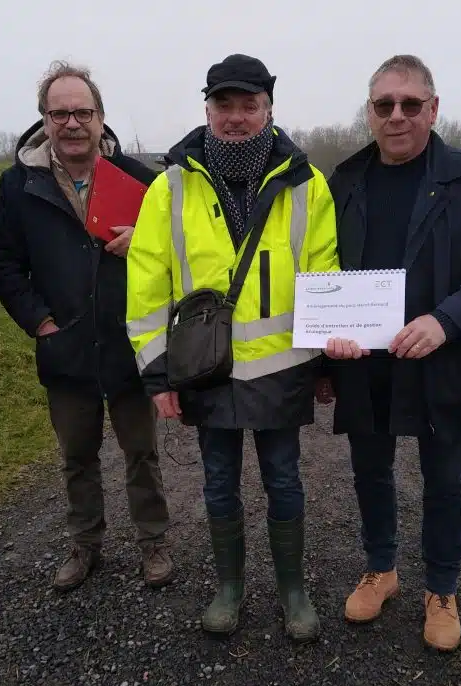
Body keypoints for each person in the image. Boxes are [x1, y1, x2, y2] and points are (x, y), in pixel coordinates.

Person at [126, 54, 340, 642]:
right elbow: (146, 284)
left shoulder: (307, 183)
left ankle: (293, 591)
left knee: (285, 480)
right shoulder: (169, 186)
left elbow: (323, 275)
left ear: (269, 108)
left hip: (283, 370)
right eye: (226, 105)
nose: (237, 117)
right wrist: (158, 375)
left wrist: (325, 366)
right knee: (218, 482)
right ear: (207, 109)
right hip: (204, 369)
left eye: (250, 105)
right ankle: (230, 588)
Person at [321, 55, 461, 652]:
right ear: (370, 112)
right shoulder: (343, 181)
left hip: (440, 357)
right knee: (370, 471)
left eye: (411, 104)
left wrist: (447, 321)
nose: (397, 115)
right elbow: (320, 271)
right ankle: (381, 569)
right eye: (384, 104)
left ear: (434, 109)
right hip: (364, 360)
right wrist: (326, 346)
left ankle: (442, 587)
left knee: (444, 478)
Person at [0, 61, 173, 592]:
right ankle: (85, 544)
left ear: (100, 117)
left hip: (130, 345)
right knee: (76, 458)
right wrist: (38, 320)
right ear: (44, 120)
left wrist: (145, 242)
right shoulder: (20, 185)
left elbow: (180, 257)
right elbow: (1, 261)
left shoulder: (141, 179)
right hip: (64, 347)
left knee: (142, 453)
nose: (72, 123)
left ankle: (154, 540)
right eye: (60, 112)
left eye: (82, 112)